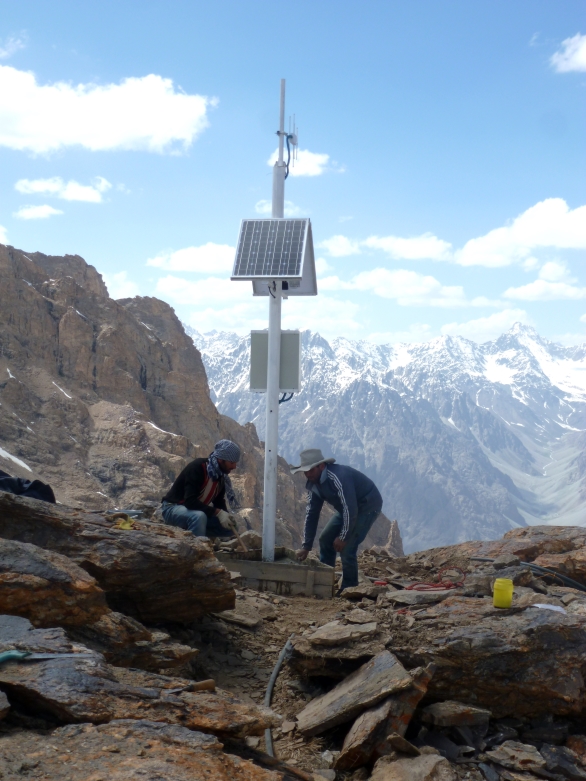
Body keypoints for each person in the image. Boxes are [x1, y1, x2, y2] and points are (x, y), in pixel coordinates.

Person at [291, 448, 383, 594]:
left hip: (366, 506)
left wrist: (343, 537)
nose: (307, 475)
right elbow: (312, 514)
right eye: (305, 471)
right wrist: (306, 546)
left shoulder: (338, 477)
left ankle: (349, 588)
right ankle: (325, 582)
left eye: (310, 470)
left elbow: (350, 509)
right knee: (325, 538)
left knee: (347, 546)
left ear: (321, 466)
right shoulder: (314, 484)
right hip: (347, 510)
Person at [160, 439, 241, 538]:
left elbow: (219, 502)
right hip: (173, 508)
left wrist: (226, 516)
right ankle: (196, 548)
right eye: (232, 463)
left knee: (230, 527)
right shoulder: (198, 468)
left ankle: (204, 539)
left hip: (194, 510)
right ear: (221, 459)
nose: (234, 466)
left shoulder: (220, 477)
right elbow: (190, 501)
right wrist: (218, 513)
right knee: (199, 517)